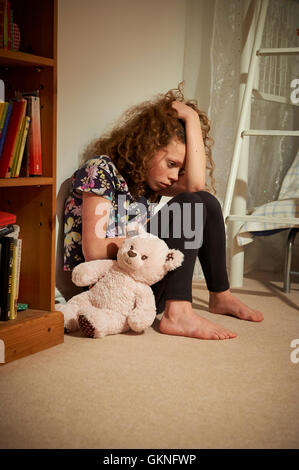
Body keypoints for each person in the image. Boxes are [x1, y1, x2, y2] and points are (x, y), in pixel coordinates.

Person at [63, 83, 264, 340]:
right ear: (147, 148)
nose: (172, 177)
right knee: (190, 204)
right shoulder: (101, 171)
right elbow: (93, 249)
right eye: (170, 164)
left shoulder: (148, 185)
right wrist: (146, 246)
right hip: (105, 288)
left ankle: (220, 295)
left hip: (142, 290)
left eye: (178, 170)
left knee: (206, 202)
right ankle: (177, 312)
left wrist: (191, 119)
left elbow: (195, 184)